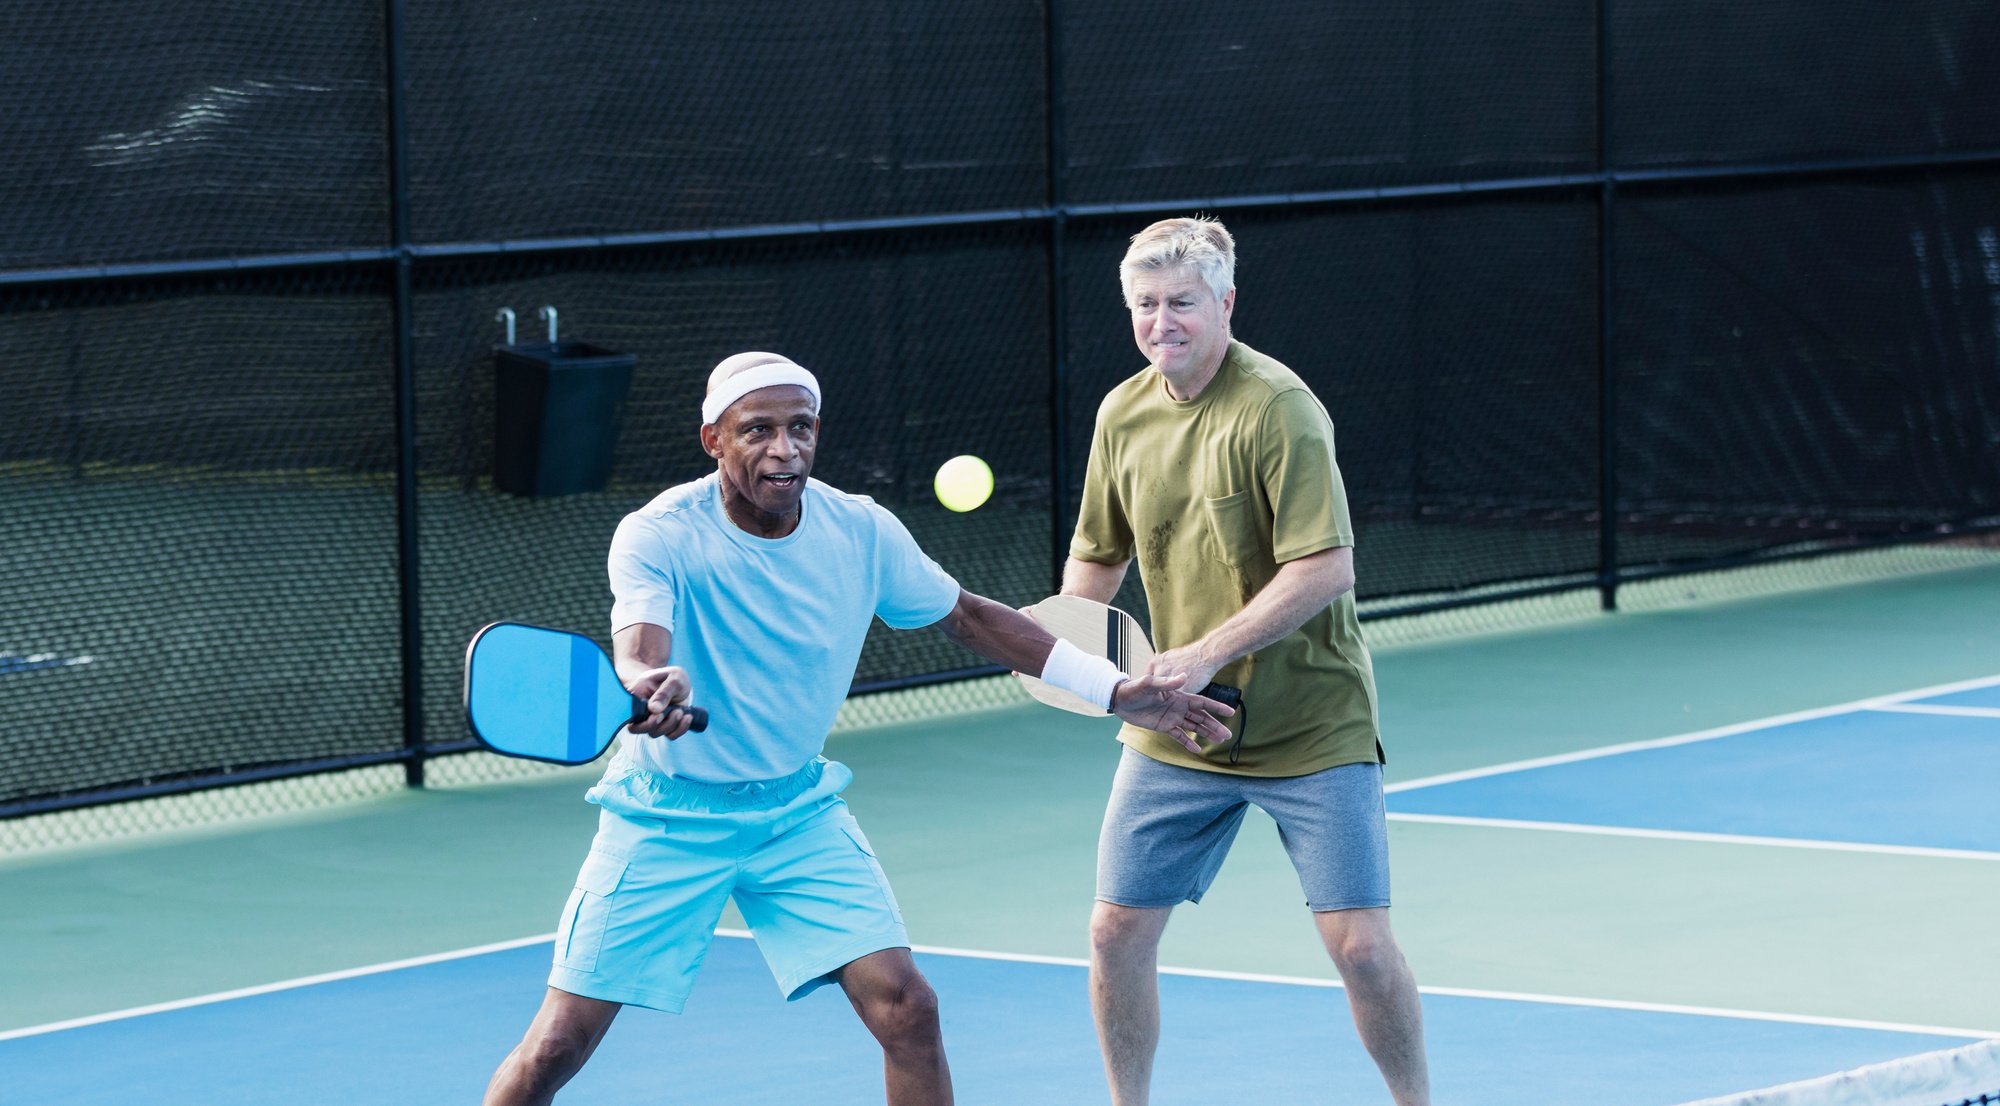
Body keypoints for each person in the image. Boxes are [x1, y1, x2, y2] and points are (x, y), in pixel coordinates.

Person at [482, 351, 1235, 1106]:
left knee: (909, 1008)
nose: (785, 449)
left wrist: (1115, 692)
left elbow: (971, 617)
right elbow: (642, 641)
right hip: (666, 818)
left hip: (794, 814)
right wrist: (648, 682)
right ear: (713, 439)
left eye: (800, 428)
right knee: (559, 1042)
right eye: (758, 431)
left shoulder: (861, 531)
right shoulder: (659, 535)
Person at [1064, 217, 1432, 1105]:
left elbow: (1327, 566)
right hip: (1177, 731)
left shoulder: (1279, 408)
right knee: (1115, 932)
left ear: (1225, 303)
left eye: (1182, 302)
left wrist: (1200, 653)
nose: (1163, 322)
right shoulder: (1123, 412)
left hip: (1310, 724)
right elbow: (1096, 559)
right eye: (1146, 305)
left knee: (1362, 947)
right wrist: (1085, 661)